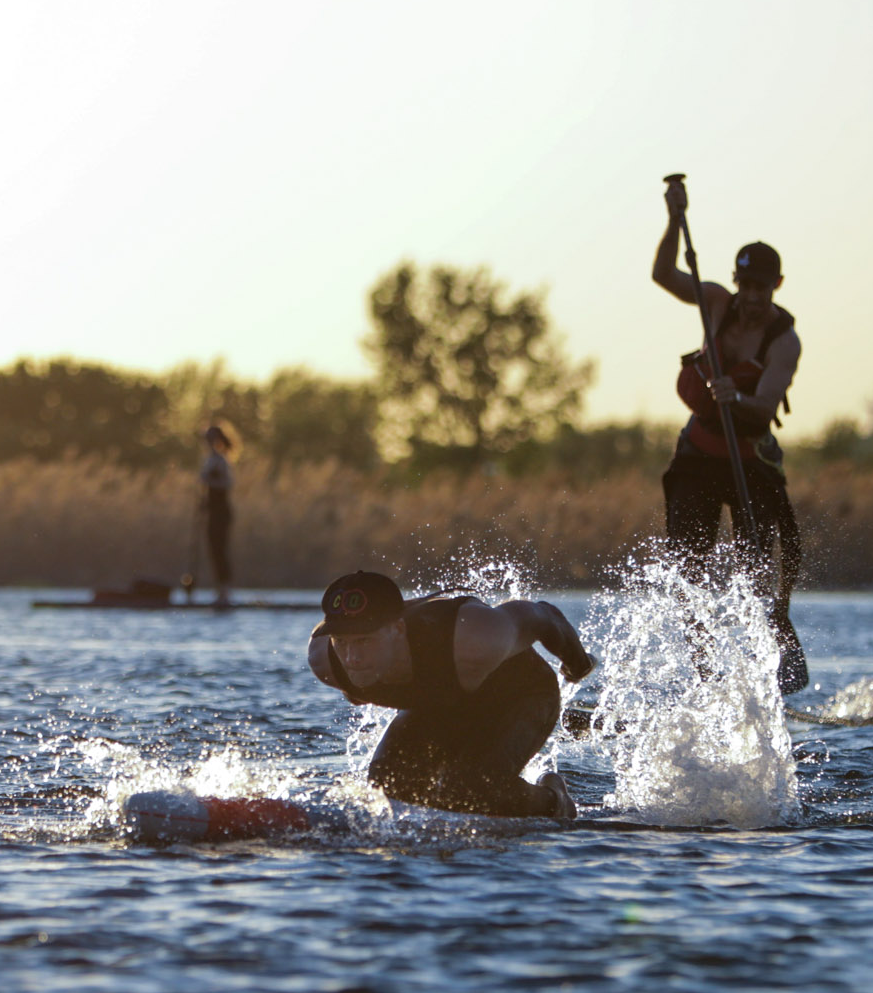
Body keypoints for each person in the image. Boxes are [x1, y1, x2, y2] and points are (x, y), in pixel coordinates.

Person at [653, 180, 806, 690]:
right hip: (700, 453)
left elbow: (763, 407)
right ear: (737, 283)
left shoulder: (784, 342)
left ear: (776, 285)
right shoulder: (716, 304)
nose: (754, 298)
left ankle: (774, 653)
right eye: (747, 286)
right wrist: (676, 219)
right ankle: (705, 669)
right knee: (687, 570)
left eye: (763, 288)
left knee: (760, 568)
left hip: (749, 455)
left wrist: (733, 397)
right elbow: (662, 274)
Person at [307, 570, 593, 820]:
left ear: (397, 629)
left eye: (365, 641)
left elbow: (543, 616)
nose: (353, 658)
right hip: (437, 704)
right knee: (388, 786)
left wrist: (577, 665)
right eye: (341, 642)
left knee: (470, 787)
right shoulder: (326, 662)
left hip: (521, 694)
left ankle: (555, 800)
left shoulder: (474, 637)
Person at [198, 424, 237, 608]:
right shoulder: (211, 459)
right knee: (214, 550)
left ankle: (225, 592)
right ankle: (219, 590)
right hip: (214, 510)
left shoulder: (220, 460)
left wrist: (210, 480)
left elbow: (226, 484)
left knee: (220, 550)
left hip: (221, 511)